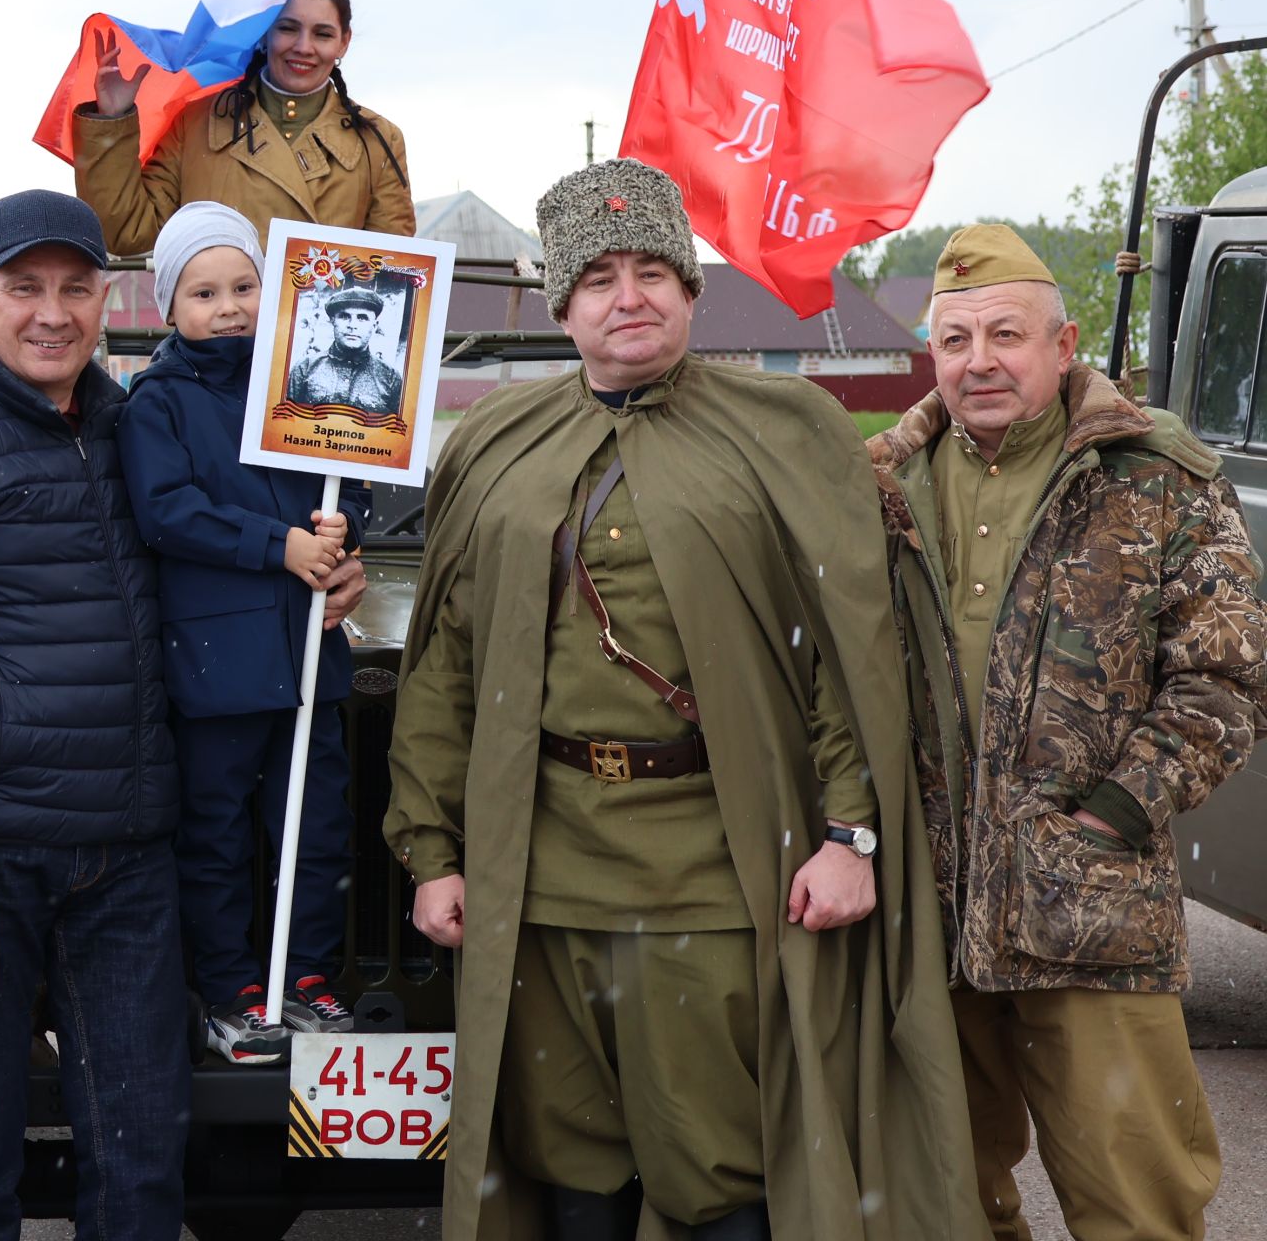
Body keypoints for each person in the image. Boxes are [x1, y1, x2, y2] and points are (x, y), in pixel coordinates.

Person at [383, 159, 984, 1241]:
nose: (632, 296)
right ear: (562, 302)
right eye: (601, 276)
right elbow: (445, 670)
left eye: (655, 270)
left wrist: (851, 835)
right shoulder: (493, 450)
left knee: (718, 1164)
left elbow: (846, 659)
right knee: (570, 1159)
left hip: (716, 864)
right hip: (544, 865)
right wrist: (433, 853)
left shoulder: (785, 432)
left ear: (692, 292)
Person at [0, 190, 365, 1238]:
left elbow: (226, 541)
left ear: (107, 301)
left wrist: (325, 584)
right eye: (24, 288)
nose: (52, 312)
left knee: (140, 1167)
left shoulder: (135, 424)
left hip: (130, 854)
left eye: (75, 288)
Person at [867, 224, 1267, 1241]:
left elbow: (1225, 677)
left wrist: (1114, 815)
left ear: (1064, 342)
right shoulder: (880, 484)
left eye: (1006, 334)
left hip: (1091, 912)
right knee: (943, 1198)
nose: (979, 361)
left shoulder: (1157, 479)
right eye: (954, 340)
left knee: (1137, 1203)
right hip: (929, 908)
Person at [116, 201, 370, 1065]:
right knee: (217, 833)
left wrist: (344, 538)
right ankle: (231, 989)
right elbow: (168, 511)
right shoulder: (157, 403)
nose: (228, 307)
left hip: (308, 658)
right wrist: (282, 544)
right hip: (216, 665)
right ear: (169, 308)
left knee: (318, 825)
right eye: (204, 292)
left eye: (245, 286)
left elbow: (350, 471)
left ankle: (305, 978)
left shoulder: (306, 385)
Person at [72, 0, 414, 256]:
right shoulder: (195, 124)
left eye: (322, 34)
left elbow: (390, 265)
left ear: (344, 43)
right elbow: (127, 233)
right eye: (287, 29)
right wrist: (112, 120)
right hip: (219, 324)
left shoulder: (380, 141)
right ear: (264, 33)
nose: (303, 47)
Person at [285, 286, 404, 415]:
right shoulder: (305, 367)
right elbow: (287, 419)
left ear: (374, 326)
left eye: (362, 318)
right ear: (333, 321)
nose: (352, 325)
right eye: (344, 316)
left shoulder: (390, 377)